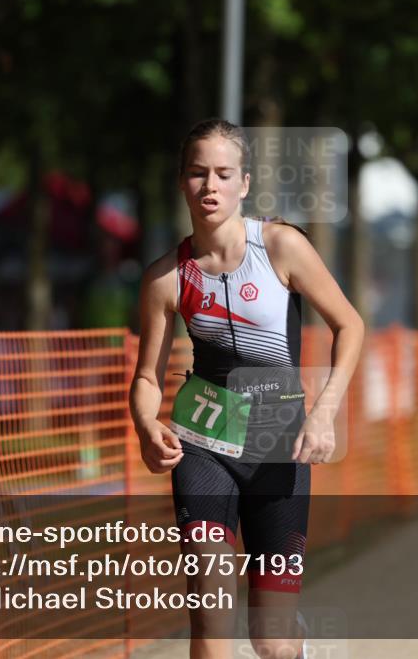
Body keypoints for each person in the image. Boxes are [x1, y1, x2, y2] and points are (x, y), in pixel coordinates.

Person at [129, 119, 364, 659]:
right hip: (203, 444)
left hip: (277, 447)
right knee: (211, 623)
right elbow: (146, 376)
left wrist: (324, 412)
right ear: (182, 182)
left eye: (222, 174)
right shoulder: (166, 277)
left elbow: (350, 325)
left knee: (271, 640)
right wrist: (147, 425)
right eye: (197, 173)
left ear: (244, 183)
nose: (210, 186)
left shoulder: (282, 246)